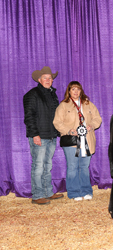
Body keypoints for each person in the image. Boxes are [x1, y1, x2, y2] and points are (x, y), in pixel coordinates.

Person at [53, 81, 102, 201]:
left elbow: (98, 118)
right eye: (73, 89)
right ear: (69, 91)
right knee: (72, 166)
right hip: (71, 141)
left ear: (81, 91)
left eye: (78, 89)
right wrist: (69, 130)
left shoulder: (88, 104)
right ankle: (74, 192)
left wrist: (91, 125)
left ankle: (86, 191)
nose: (76, 92)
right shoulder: (63, 105)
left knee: (84, 166)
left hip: (87, 139)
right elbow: (57, 122)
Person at [23, 66, 64, 205]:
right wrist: (35, 134)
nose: (48, 80)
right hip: (40, 136)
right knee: (39, 166)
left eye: (50, 78)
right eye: (45, 78)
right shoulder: (32, 95)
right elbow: (29, 117)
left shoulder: (53, 94)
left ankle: (47, 192)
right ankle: (37, 195)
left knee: (47, 165)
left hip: (51, 135)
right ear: (39, 80)